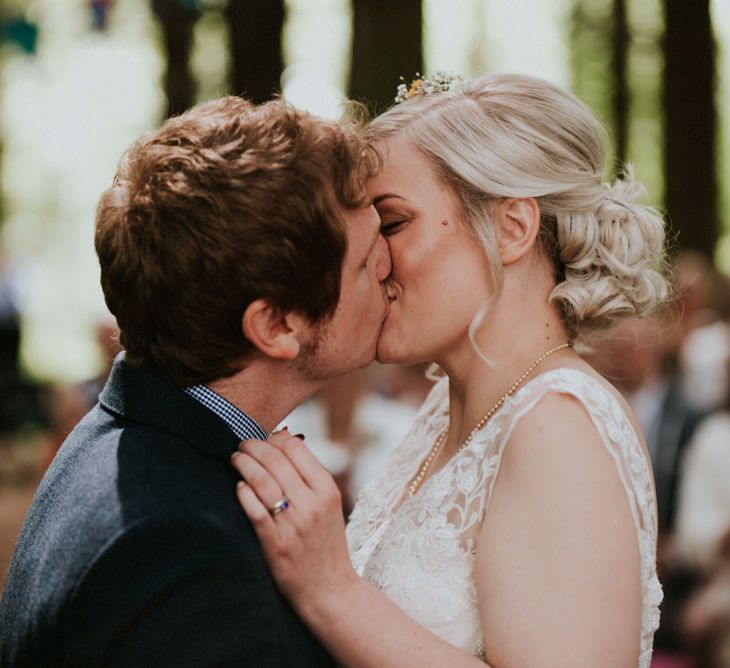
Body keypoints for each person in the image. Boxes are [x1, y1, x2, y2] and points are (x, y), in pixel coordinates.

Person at [230, 73, 668, 667]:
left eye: (393, 223)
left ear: (511, 228)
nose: (373, 259)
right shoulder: (451, 406)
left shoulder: (557, 425)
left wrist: (332, 592)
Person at [0, 96, 391, 666]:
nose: (388, 265)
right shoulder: (182, 551)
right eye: (363, 262)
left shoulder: (123, 445)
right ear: (277, 324)